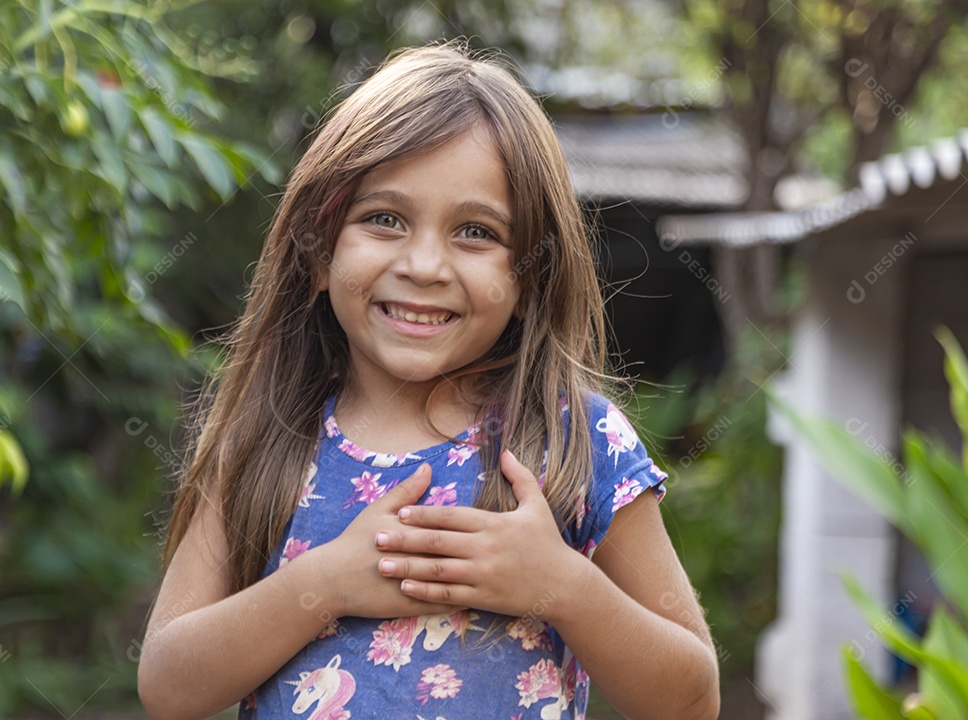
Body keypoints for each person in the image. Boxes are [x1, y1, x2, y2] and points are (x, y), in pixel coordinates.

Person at [137, 40, 720, 720]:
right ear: (318, 253)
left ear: (530, 277)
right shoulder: (266, 436)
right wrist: (323, 585)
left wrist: (562, 586)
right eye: (384, 219)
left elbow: (692, 701)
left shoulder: (575, 441)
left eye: (475, 232)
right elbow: (169, 687)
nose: (424, 264)